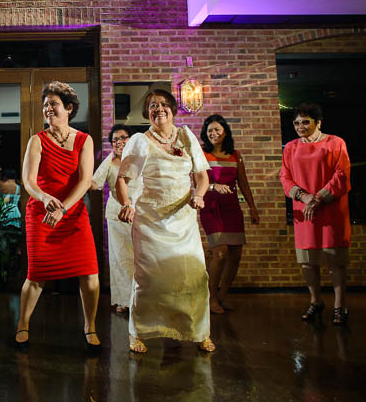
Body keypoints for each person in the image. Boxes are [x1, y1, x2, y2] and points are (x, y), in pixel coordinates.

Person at [114, 89, 215, 354]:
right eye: (152, 106)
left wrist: (200, 196)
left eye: (163, 104)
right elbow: (123, 179)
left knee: (193, 275)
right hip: (151, 221)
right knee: (151, 279)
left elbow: (202, 175)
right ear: (147, 113)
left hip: (183, 219)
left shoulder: (185, 135)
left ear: (173, 109)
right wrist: (127, 204)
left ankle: (199, 331)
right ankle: (139, 332)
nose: (158, 109)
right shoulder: (139, 141)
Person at [13, 81, 100, 351]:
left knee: (89, 273)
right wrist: (45, 198)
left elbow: (85, 181)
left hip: (73, 213)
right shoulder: (36, 141)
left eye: (53, 104)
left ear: (69, 108)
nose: (47, 109)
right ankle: (23, 324)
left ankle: (90, 326)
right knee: (36, 274)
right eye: (45, 105)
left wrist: (63, 208)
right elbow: (29, 182)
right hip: (41, 212)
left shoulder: (84, 140)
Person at [280, 103, 351, 325]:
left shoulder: (335, 143)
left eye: (305, 122)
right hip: (304, 210)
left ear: (318, 122)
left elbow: (342, 175)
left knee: (335, 260)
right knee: (307, 262)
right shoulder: (291, 147)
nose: (300, 126)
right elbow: (285, 177)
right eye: (296, 123)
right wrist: (304, 197)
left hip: (330, 208)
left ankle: (340, 306)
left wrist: (318, 198)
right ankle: (315, 301)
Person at [199, 114, 260, 314]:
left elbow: (243, 183)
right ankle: (210, 297)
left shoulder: (235, 154)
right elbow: (196, 183)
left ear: (225, 132)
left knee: (235, 255)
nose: (213, 134)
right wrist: (214, 186)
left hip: (232, 209)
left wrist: (252, 207)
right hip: (211, 208)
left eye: (217, 130)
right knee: (220, 251)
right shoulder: (201, 154)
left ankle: (223, 295)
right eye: (209, 131)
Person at [90, 124, 139, 313]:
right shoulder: (110, 161)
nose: (119, 142)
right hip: (116, 215)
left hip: (139, 214)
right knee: (120, 259)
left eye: (123, 138)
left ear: (131, 139)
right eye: (115, 140)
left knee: (139, 258)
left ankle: (140, 299)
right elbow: (95, 183)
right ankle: (124, 300)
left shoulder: (140, 160)